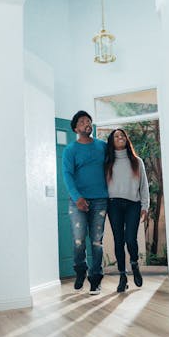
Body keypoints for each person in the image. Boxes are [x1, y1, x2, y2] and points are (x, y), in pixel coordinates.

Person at [62, 110, 108, 295]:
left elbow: (116, 162)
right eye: (82, 121)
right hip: (77, 201)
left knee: (97, 242)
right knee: (79, 240)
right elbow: (67, 174)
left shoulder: (102, 146)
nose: (86, 123)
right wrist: (77, 197)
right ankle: (81, 271)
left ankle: (95, 279)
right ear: (75, 128)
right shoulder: (70, 150)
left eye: (88, 121)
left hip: (100, 201)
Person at [104, 129, 149, 292]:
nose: (120, 137)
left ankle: (134, 264)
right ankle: (122, 276)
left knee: (130, 239)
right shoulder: (107, 162)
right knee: (118, 240)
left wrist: (145, 206)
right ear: (112, 141)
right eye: (116, 136)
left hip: (133, 204)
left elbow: (144, 186)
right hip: (114, 204)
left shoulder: (137, 161)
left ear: (126, 139)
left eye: (122, 135)